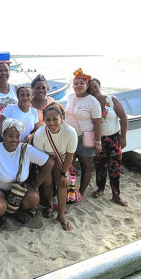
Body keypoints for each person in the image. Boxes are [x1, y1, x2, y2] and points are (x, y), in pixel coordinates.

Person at [0, 118, 54, 228]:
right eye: (10, 136)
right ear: (3, 135)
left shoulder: (25, 149)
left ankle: (16, 211)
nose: (14, 140)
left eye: (17, 136)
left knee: (34, 197)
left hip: (18, 191)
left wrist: (35, 184)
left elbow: (49, 162)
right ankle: (0, 214)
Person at [33, 104, 78, 231]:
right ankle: (49, 205)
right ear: (44, 120)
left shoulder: (70, 132)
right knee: (47, 182)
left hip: (62, 156)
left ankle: (61, 214)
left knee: (63, 182)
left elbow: (70, 154)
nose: (51, 123)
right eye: (48, 119)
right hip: (45, 157)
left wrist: (64, 173)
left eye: (55, 119)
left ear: (62, 118)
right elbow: (40, 157)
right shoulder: (40, 134)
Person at [88, 78, 128, 206]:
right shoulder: (91, 103)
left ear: (99, 85)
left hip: (114, 139)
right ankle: (100, 188)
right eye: (90, 89)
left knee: (115, 168)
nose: (93, 90)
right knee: (100, 167)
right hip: (99, 140)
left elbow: (123, 118)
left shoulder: (111, 99)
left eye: (95, 86)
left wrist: (123, 137)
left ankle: (116, 195)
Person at [65, 68, 102, 200]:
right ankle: (70, 191)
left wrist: (98, 142)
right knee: (68, 166)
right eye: (76, 83)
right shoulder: (70, 98)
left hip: (85, 138)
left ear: (87, 85)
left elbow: (98, 122)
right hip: (70, 138)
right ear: (73, 86)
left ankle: (81, 192)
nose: (78, 85)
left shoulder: (92, 100)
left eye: (82, 83)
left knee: (86, 166)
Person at [0, 86, 39, 151]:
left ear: (31, 97)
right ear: (18, 97)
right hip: (9, 144)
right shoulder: (10, 108)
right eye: (22, 95)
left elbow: (37, 129)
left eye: (28, 95)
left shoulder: (34, 112)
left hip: (24, 146)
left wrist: (31, 135)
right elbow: (0, 124)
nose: (25, 98)